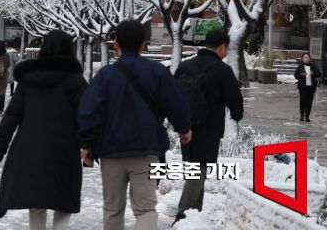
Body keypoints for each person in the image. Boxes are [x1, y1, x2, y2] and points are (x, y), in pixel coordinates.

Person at [78, 19, 191, 230]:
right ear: (143, 45)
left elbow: (89, 112)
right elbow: (176, 102)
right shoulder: (157, 71)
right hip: (148, 150)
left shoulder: (105, 75)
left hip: (111, 152)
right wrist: (184, 129)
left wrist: (86, 144)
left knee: (112, 210)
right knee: (146, 210)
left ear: (116, 44)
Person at [0, 30, 87, 230]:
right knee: (65, 199)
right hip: (65, 150)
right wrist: (89, 146)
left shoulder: (29, 80)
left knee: (36, 203)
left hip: (29, 148)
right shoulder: (76, 81)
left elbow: (12, 116)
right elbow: (87, 117)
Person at [173, 29, 244, 223]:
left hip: (185, 126)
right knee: (199, 168)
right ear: (221, 47)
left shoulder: (185, 65)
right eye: (226, 48)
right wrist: (237, 115)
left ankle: (195, 214)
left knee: (197, 168)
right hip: (209, 128)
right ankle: (183, 214)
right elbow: (235, 101)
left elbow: (172, 94)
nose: (227, 52)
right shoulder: (222, 70)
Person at [295, 52, 321, 122]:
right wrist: (301, 75)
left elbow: (319, 74)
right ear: (302, 59)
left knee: (309, 102)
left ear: (309, 59)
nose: (306, 58)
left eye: (307, 57)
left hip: (311, 87)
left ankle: (307, 116)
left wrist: (313, 74)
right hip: (302, 87)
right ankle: (301, 115)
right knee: (303, 100)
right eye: (304, 57)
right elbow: (296, 76)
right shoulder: (300, 67)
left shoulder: (313, 67)